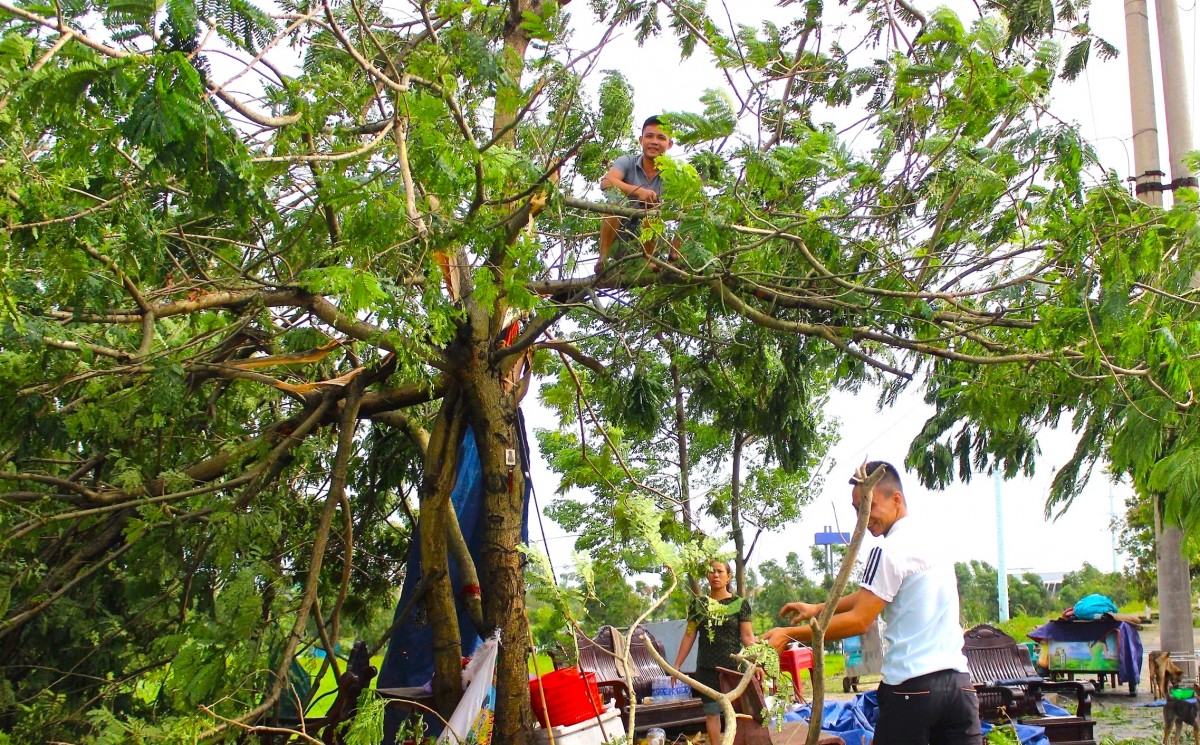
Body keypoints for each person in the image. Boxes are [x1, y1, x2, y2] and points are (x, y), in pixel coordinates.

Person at [761, 461, 980, 745]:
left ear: (896, 499)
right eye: (857, 509)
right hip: (960, 689)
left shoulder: (887, 549)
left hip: (911, 690)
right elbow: (875, 595)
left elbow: (860, 620)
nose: (863, 517)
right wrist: (818, 609)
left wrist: (790, 634)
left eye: (869, 505)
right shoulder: (934, 540)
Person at [672, 559, 755, 745]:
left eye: (720, 571)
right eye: (711, 572)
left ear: (728, 576)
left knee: (737, 713)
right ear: (707, 576)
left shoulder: (740, 604)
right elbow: (689, 635)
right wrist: (676, 665)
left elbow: (748, 638)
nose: (715, 575)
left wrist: (758, 663)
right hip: (707, 668)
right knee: (711, 713)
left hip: (733, 669)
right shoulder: (699, 604)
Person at [596, 115, 672, 273]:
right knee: (614, 205)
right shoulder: (627, 161)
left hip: (650, 241)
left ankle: (647, 260)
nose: (654, 142)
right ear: (641, 140)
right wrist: (638, 192)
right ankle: (603, 260)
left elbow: (687, 210)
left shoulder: (674, 174)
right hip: (619, 233)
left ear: (669, 144)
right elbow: (607, 182)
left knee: (653, 210)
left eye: (661, 138)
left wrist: (674, 255)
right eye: (649, 136)